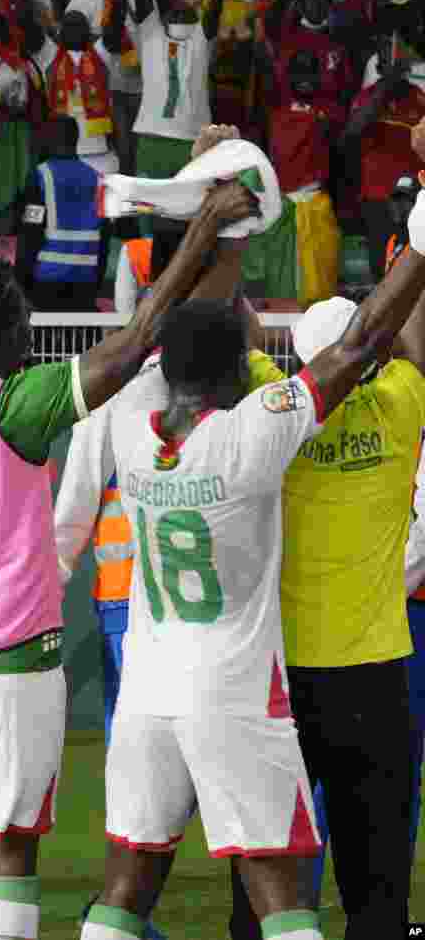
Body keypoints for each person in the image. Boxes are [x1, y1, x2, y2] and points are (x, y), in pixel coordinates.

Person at [0, 121, 257, 940]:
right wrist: (201, 233)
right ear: (15, 339)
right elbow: (135, 340)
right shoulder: (18, 405)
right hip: (13, 666)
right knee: (11, 852)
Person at [78, 166, 425, 940]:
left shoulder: (137, 426)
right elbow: (368, 344)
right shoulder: (269, 431)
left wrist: (214, 222)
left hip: (151, 691)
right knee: (308, 894)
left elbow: (164, 331)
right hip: (256, 689)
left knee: (128, 886)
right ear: (244, 371)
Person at [227, 258, 425, 937]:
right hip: (374, 677)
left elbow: (238, 321)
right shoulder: (402, 403)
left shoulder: (267, 409)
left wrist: (223, 205)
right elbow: (409, 326)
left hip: (279, 680)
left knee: (264, 877)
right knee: (378, 891)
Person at [17, 115, 108, 312]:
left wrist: (21, 281)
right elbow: (105, 238)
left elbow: (30, 232)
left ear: (49, 139)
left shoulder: (41, 176)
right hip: (86, 281)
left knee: (47, 341)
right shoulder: (98, 179)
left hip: (47, 280)